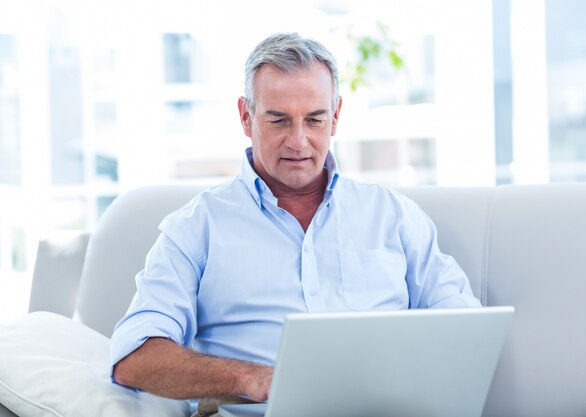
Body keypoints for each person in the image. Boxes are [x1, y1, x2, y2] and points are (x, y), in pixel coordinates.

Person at [110, 32, 481, 415]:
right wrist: (253, 379)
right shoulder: (195, 228)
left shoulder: (394, 216)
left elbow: (468, 329)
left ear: (335, 116)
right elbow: (134, 358)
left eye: (315, 119)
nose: (299, 142)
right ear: (245, 116)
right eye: (279, 120)